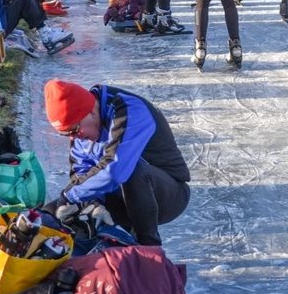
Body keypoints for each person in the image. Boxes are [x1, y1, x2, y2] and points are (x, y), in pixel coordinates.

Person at [42, 80, 190, 246]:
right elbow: (80, 175)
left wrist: (68, 197)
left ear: (90, 111)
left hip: (166, 195)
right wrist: (90, 204)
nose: (73, 138)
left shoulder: (129, 109)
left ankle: (150, 247)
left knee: (132, 171)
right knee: (50, 212)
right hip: (120, 196)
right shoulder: (80, 131)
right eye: (66, 134)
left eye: (74, 130)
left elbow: (116, 170)